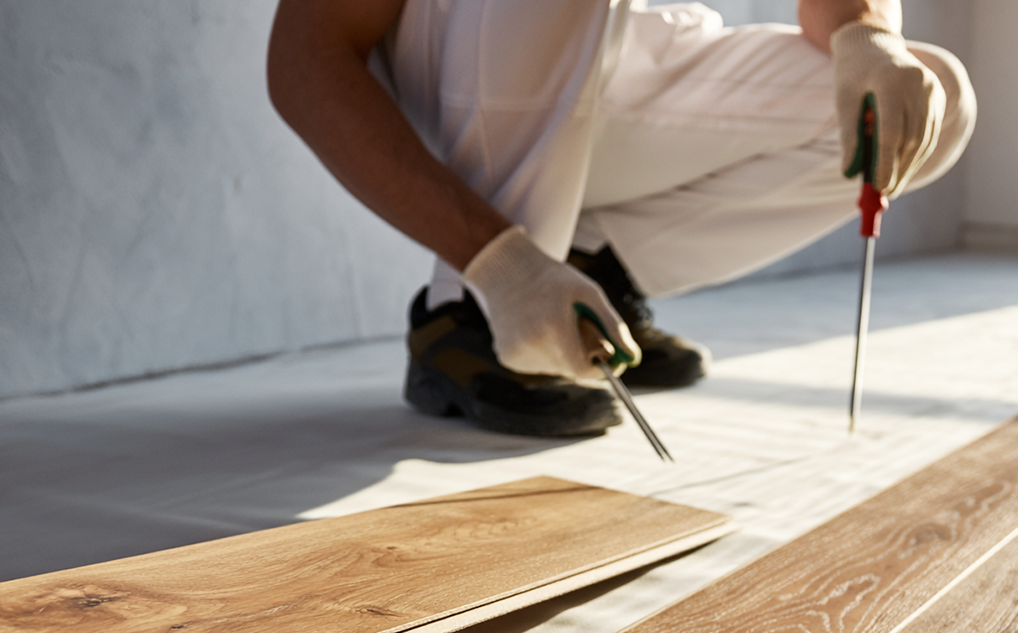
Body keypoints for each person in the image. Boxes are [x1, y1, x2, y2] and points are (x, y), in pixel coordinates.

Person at [268, 0, 974, 437]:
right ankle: (470, 307)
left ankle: (585, 266)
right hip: (460, 70)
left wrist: (865, 34)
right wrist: (497, 264)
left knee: (928, 99)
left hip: (618, 53)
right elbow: (306, 59)